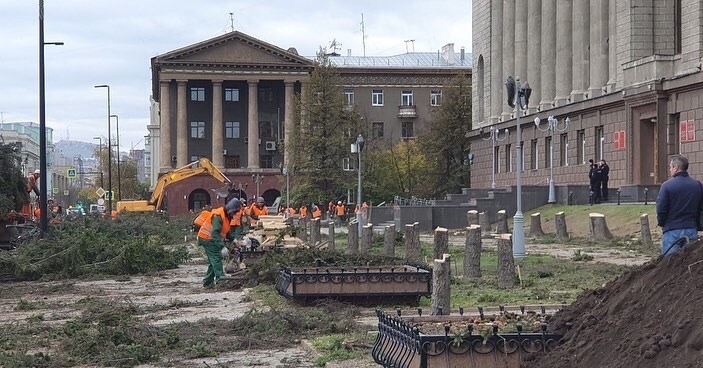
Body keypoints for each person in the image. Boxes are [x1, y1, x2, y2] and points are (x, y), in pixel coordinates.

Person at [656, 156, 703, 256]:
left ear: (676, 167)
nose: (670, 170)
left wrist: (662, 222)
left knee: (669, 262)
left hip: (672, 230)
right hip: (691, 228)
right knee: (688, 261)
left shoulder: (666, 186)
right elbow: (701, 207)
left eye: (670, 167)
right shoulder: (697, 185)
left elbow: (661, 208)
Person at [197, 198, 240, 287]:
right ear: (230, 210)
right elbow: (215, 233)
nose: (234, 214)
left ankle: (207, 282)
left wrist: (233, 239)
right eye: (234, 212)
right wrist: (222, 247)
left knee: (214, 260)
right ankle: (221, 280)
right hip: (207, 238)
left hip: (211, 239)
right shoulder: (218, 216)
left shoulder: (226, 217)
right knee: (216, 259)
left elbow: (226, 231)